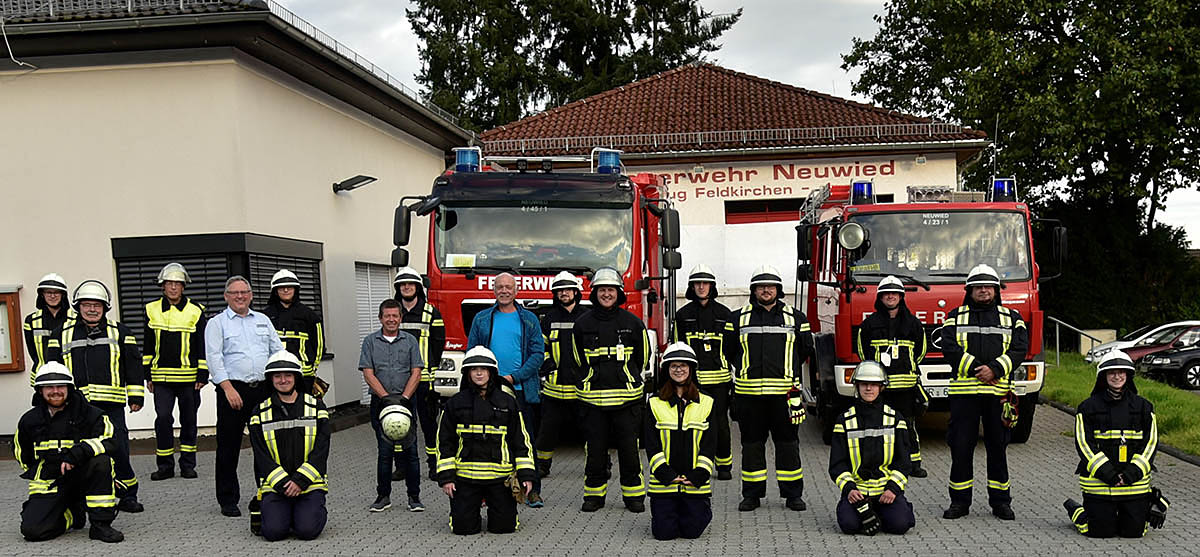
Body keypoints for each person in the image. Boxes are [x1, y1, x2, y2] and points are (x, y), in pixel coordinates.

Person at [940, 264, 1028, 520]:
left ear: (996, 290)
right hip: (964, 395)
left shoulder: (1012, 318)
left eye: (988, 287)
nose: (984, 292)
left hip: (998, 394)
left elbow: (1020, 349)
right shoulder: (955, 316)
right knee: (961, 447)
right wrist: (979, 370)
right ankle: (959, 502)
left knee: (998, 448)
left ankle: (1001, 502)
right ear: (969, 290)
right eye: (978, 287)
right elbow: (949, 347)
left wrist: (995, 369)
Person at [49, 279, 144, 514]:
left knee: (118, 448)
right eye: (87, 305)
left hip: (110, 406)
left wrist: (136, 396)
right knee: (81, 451)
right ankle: (82, 496)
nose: (92, 309)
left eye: (97, 305)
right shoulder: (60, 333)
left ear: (105, 307)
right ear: (78, 307)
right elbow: (52, 369)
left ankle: (128, 494)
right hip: (77, 407)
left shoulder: (121, 331)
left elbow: (133, 365)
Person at [731, 265, 813, 512]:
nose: (766, 290)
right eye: (761, 286)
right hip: (749, 398)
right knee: (752, 446)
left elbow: (805, 350)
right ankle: (752, 496)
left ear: (778, 290)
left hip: (784, 397)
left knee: (788, 445)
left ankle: (792, 495)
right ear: (753, 290)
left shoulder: (797, 318)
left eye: (771, 286)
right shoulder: (737, 318)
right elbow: (729, 350)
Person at [15, 363, 123, 543]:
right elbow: (22, 454)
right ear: (40, 390)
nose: (55, 391)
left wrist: (78, 453)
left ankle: (100, 525)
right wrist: (43, 471)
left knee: (101, 461)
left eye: (60, 386)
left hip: (84, 477)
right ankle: (73, 514)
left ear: (69, 389)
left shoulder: (91, 414)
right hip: (52, 481)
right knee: (32, 531)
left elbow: (111, 440)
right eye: (49, 387)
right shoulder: (29, 420)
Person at [1064, 350, 1167, 538]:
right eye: (1112, 372)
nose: (1117, 376)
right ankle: (1077, 511)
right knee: (1098, 532)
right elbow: (1084, 444)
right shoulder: (1087, 407)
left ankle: (1142, 506)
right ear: (1103, 376)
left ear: (1128, 375)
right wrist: (1109, 474)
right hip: (1099, 483)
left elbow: (1150, 444)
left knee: (1134, 532)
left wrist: (1130, 474)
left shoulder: (1144, 407)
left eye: (1121, 372)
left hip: (1134, 483)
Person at [205, 275, 284, 517]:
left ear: (251, 295)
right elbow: (214, 358)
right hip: (233, 390)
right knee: (228, 448)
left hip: (263, 389)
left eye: (244, 292)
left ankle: (266, 493)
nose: (240, 296)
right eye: (235, 293)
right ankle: (228, 500)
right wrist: (227, 388)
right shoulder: (217, 323)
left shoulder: (262, 320)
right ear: (226, 296)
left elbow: (277, 350)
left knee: (267, 445)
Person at [435, 346, 536, 535]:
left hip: (500, 479)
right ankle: (462, 512)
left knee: (504, 528)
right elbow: (444, 443)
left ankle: (503, 512)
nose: (479, 373)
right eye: (474, 369)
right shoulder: (455, 404)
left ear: (492, 372)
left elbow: (521, 441)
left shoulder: (508, 402)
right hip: (466, 479)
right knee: (463, 528)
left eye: (484, 368)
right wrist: (447, 478)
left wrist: (526, 475)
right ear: (467, 373)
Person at [571, 267, 648, 513]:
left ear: (619, 293)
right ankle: (594, 496)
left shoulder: (632, 323)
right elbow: (576, 360)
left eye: (611, 290)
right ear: (594, 293)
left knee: (629, 451)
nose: (606, 294)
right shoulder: (582, 324)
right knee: (595, 452)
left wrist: (627, 378)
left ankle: (633, 496)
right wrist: (587, 380)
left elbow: (642, 358)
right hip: (593, 401)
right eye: (602, 290)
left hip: (627, 401)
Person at [466, 272, 545, 506]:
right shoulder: (481, 319)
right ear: (493, 290)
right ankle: (485, 492)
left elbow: (537, 354)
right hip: (488, 391)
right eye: (499, 286)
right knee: (486, 439)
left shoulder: (529, 319)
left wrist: (513, 377)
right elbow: (473, 353)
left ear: (516, 290)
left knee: (525, 439)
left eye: (508, 287)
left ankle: (532, 490)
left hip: (520, 389)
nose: (504, 290)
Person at [248, 351, 331, 541]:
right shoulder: (259, 412)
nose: (283, 380)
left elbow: (321, 449)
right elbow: (261, 454)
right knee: (274, 533)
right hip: (276, 485)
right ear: (270, 379)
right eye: (277, 376)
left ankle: (307, 511)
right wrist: (283, 483)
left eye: (288, 375)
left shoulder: (316, 407)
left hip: (309, 484)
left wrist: (300, 481)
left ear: (296, 377)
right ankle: (282, 513)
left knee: (307, 531)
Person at [829, 361, 916, 535]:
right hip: (858, 493)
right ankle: (865, 512)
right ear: (857, 386)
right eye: (864, 384)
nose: (869, 389)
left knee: (900, 525)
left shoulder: (895, 419)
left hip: (886, 492)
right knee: (849, 526)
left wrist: (893, 489)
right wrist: (849, 489)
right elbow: (837, 464)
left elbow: (904, 460)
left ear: (881, 387)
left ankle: (886, 511)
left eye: (874, 384)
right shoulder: (844, 420)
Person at [854, 275, 929, 477]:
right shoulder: (869, 324)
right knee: (878, 426)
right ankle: (877, 464)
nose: (890, 296)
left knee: (907, 426)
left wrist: (909, 367)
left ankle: (913, 464)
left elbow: (921, 351)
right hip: (881, 388)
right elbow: (863, 353)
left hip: (906, 387)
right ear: (880, 297)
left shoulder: (913, 324)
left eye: (894, 293)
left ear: (901, 296)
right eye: (886, 293)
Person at [672, 264, 738, 480]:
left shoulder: (725, 314)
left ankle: (724, 465)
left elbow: (733, 347)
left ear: (712, 286)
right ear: (691, 287)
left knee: (720, 424)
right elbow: (676, 348)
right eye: (697, 283)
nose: (701, 287)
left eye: (705, 283)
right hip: (693, 382)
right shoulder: (682, 315)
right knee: (692, 424)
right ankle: (695, 465)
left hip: (719, 382)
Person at [143, 262, 208, 481]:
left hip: (189, 379)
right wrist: (147, 375)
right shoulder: (151, 309)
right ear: (163, 286)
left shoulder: (196, 311)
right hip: (161, 378)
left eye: (177, 284)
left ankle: (188, 465)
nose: (173, 288)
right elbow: (148, 345)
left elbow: (202, 345)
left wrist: (202, 374)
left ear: (183, 287)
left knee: (189, 420)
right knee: (163, 419)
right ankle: (165, 466)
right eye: (169, 283)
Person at [644, 342, 716, 540]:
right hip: (664, 483)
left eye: (683, 365)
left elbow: (710, 444)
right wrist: (665, 473)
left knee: (692, 532)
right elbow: (651, 443)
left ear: (691, 369)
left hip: (694, 483)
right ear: (667, 370)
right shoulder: (654, 402)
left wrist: (699, 474)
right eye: (674, 365)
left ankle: (698, 511)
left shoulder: (707, 402)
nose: (679, 370)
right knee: (664, 534)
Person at [359, 298, 425, 513]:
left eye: (395, 316)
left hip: (406, 401)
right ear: (380, 318)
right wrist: (386, 397)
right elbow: (368, 372)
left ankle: (414, 497)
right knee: (385, 452)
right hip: (381, 402)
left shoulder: (410, 341)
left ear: (400, 318)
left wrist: (404, 398)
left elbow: (417, 371)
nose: (391, 320)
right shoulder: (370, 342)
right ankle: (383, 496)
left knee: (411, 452)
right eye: (387, 316)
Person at [392, 267, 446, 480]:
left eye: (411, 284)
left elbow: (438, 344)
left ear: (417, 288)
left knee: (429, 426)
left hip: (424, 381)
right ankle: (402, 466)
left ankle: (434, 465)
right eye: (403, 284)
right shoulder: (393, 311)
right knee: (400, 423)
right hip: (399, 381)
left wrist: (433, 374)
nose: (407, 287)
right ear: (398, 288)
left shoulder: (431, 312)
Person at [535, 271, 587, 479]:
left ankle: (600, 464)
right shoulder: (549, 318)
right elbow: (541, 346)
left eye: (567, 289)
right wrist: (548, 365)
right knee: (547, 430)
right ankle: (542, 465)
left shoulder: (586, 317)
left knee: (590, 429)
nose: (564, 293)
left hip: (581, 386)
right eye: (560, 291)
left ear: (576, 292)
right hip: (555, 387)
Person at [263, 269, 325, 395]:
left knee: (305, 407)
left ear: (296, 289)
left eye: (289, 287)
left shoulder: (309, 315)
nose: (286, 290)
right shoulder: (266, 316)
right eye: (281, 287)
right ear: (275, 291)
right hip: (276, 373)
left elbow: (318, 344)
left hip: (304, 373)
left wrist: (312, 367)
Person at [22, 273, 74, 386]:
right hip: (42, 375)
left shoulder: (75, 319)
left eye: (56, 292)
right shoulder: (31, 320)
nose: (52, 296)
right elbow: (32, 351)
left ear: (63, 295)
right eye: (48, 292)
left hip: (71, 375)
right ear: (42, 295)